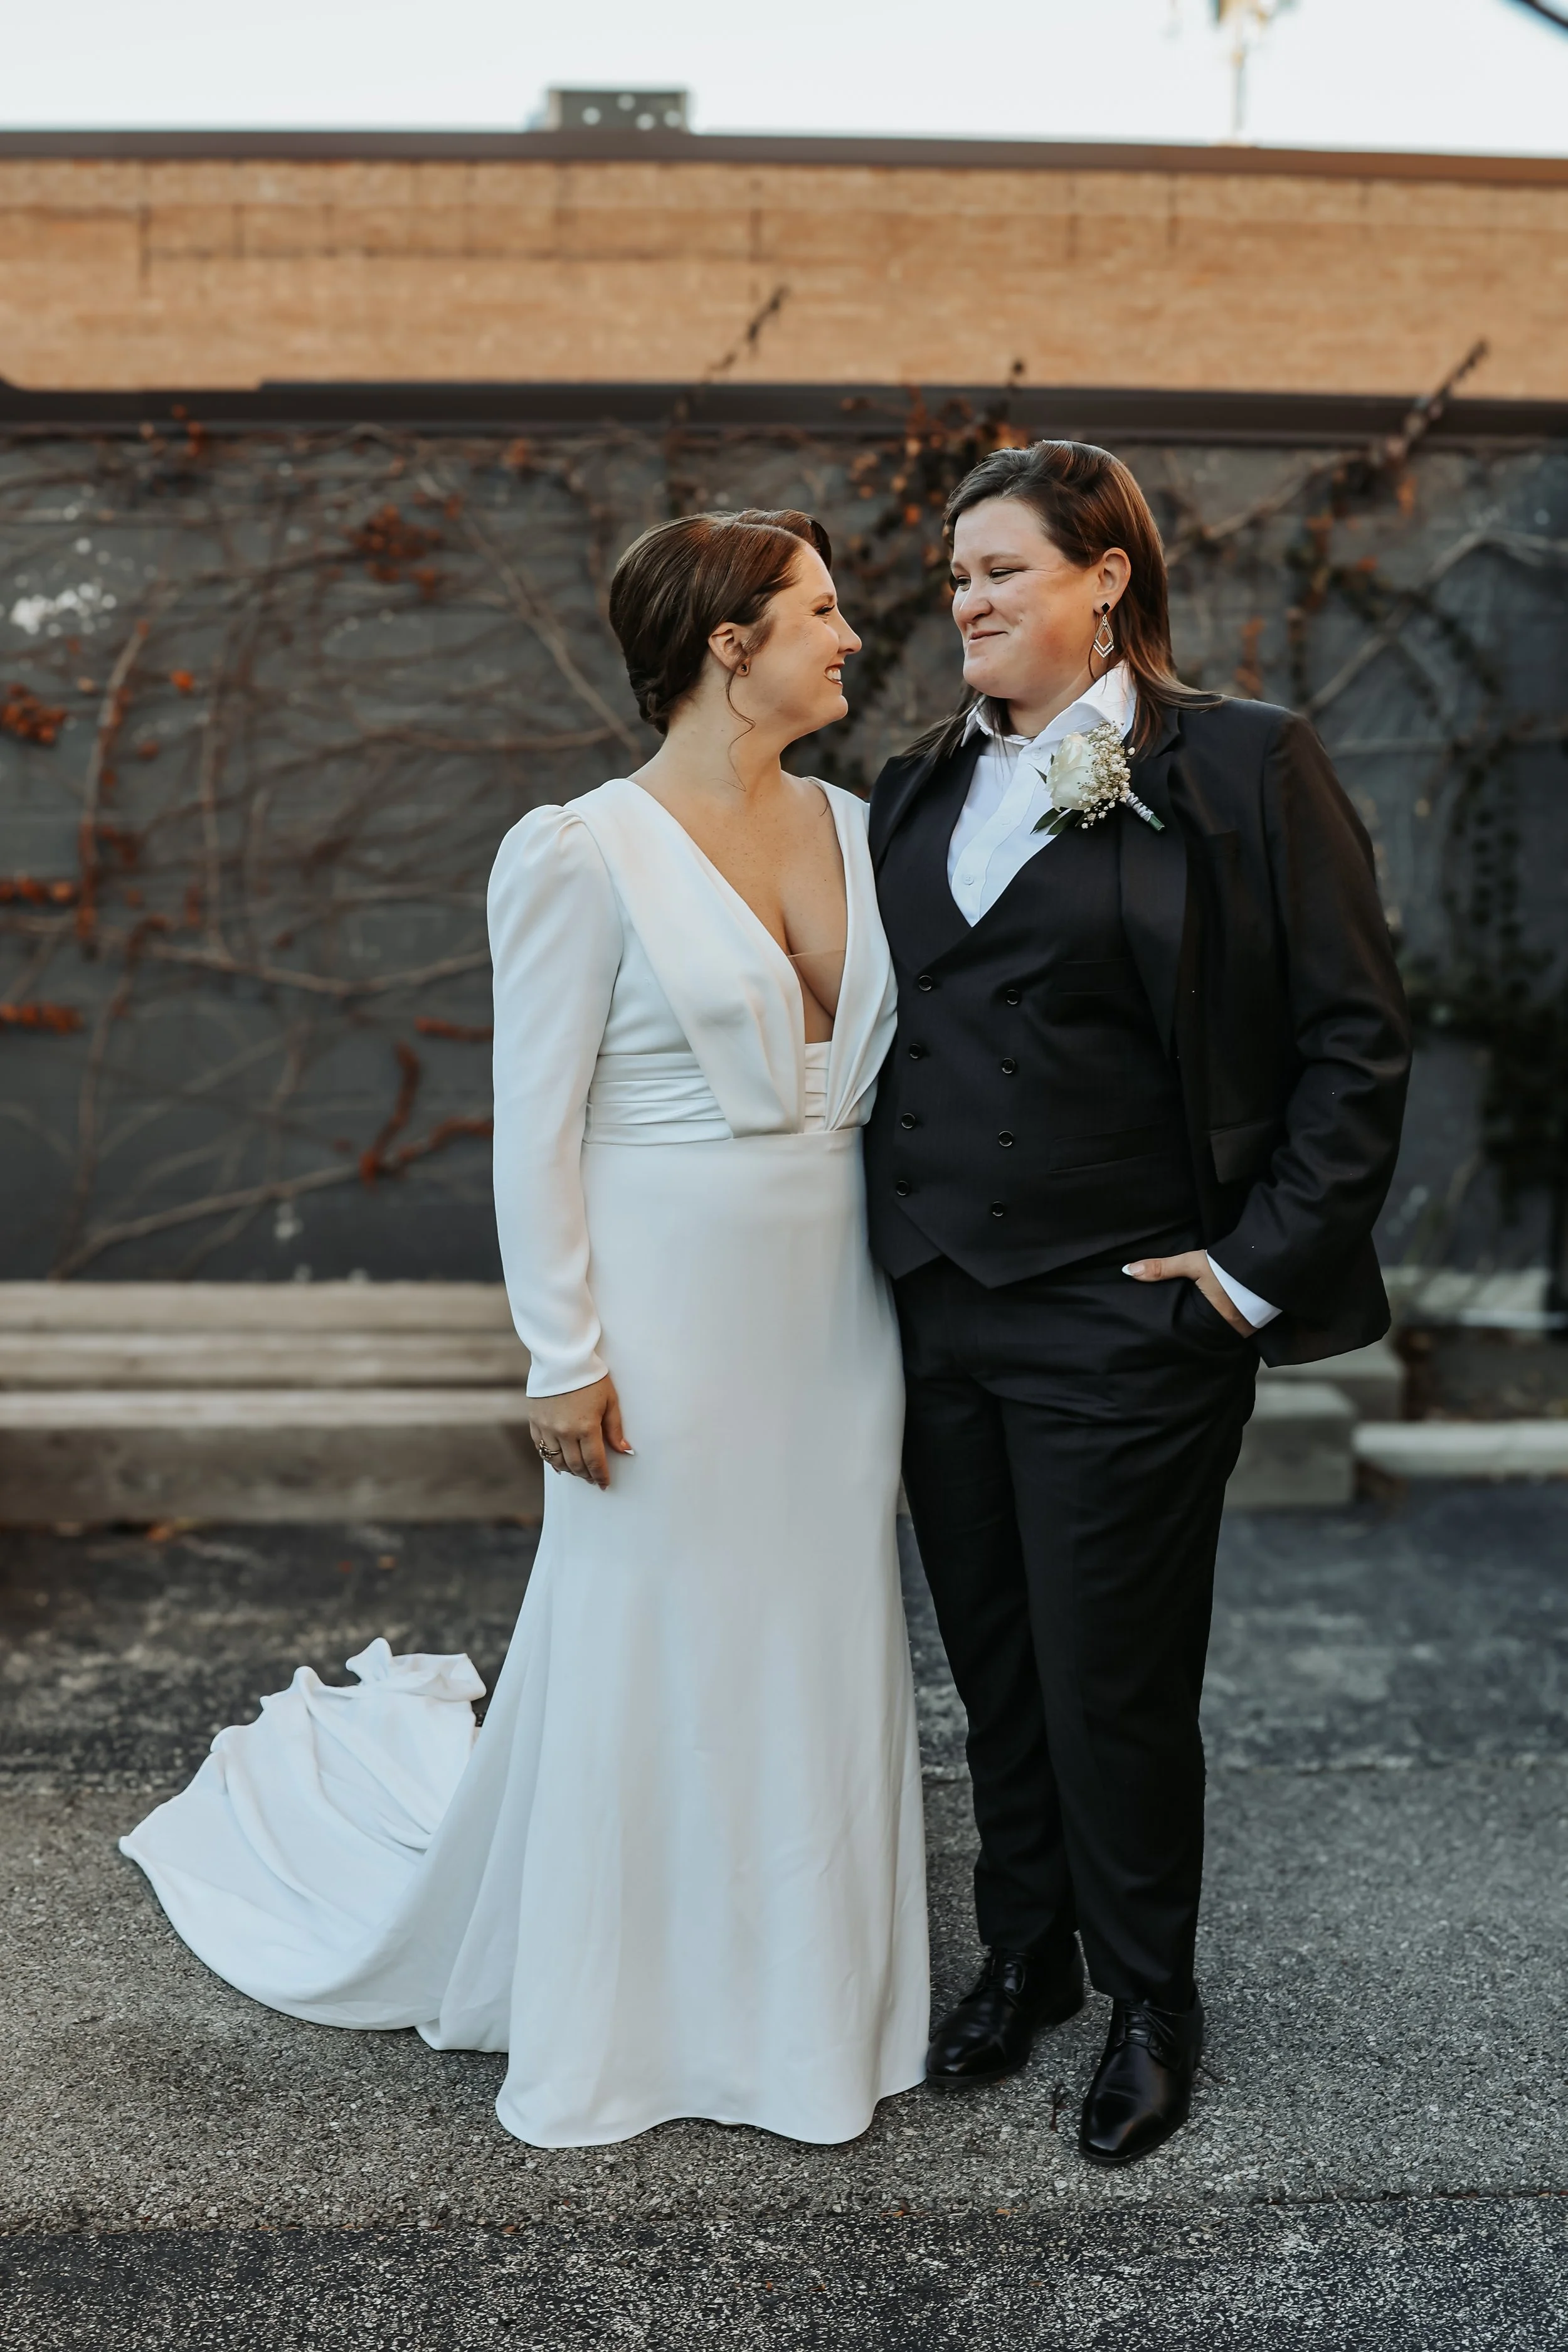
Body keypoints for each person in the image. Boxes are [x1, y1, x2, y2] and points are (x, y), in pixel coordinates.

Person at [120, 509, 930, 2149]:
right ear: (730, 643)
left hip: (836, 1311)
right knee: (650, 1633)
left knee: (816, 1633)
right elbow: (530, 1124)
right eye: (821, 612)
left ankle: (802, 2013)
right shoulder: (577, 850)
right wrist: (561, 1352)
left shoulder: (854, 825)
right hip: (663, 1309)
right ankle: (623, 2018)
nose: (851, 638)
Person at [864, 440, 1411, 2165]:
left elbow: (1353, 1039)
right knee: (996, 1660)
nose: (966, 596)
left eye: (1002, 568)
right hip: (942, 1307)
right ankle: (1021, 1952)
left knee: (1113, 1672)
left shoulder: (1244, 766)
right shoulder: (905, 792)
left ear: (1104, 578)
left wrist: (1247, 1274)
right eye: (954, 572)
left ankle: (1149, 1996)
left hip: (1131, 1312)